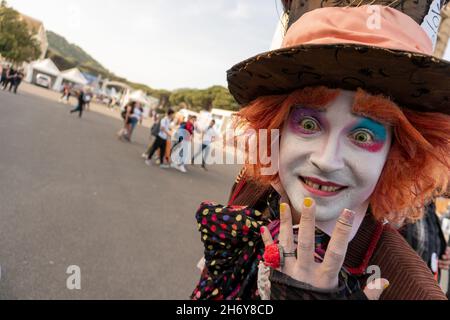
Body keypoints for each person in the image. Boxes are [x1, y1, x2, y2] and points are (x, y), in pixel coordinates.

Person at [192, 3, 450, 300]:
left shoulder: (411, 290)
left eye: (363, 135)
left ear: (397, 155)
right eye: (309, 123)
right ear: (277, 128)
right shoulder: (250, 190)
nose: (327, 160)